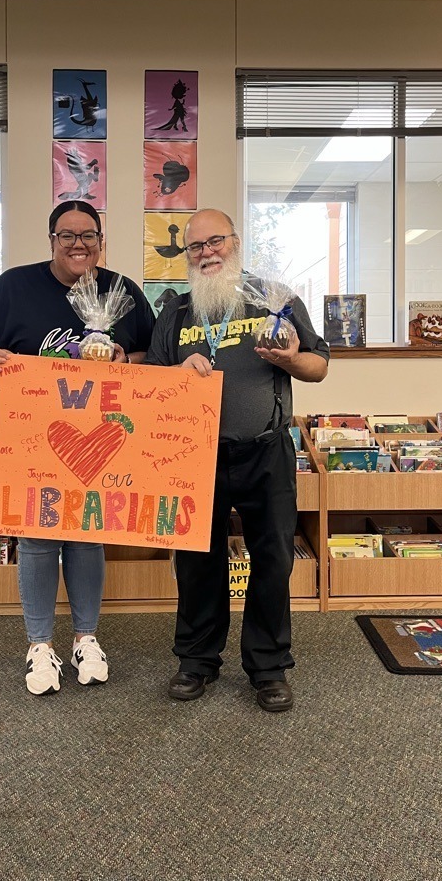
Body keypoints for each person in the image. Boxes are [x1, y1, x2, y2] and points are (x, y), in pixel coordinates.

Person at [0, 201, 155, 697]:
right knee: (36, 536)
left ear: (101, 241)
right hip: (30, 435)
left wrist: (123, 358)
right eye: (67, 235)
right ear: (51, 240)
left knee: (88, 533)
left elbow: (152, 353)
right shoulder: (14, 286)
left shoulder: (122, 291)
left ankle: (86, 638)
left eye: (88, 235)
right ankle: (39, 644)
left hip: (101, 439)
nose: (78, 244)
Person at [144, 208, 329, 713]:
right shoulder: (176, 312)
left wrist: (290, 359)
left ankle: (268, 668)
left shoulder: (275, 299)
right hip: (193, 454)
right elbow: (150, 382)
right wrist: (178, 371)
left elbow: (318, 366)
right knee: (196, 562)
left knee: (273, 559)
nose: (206, 253)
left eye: (215, 241)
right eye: (196, 246)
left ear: (235, 242)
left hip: (265, 450)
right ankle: (196, 661)